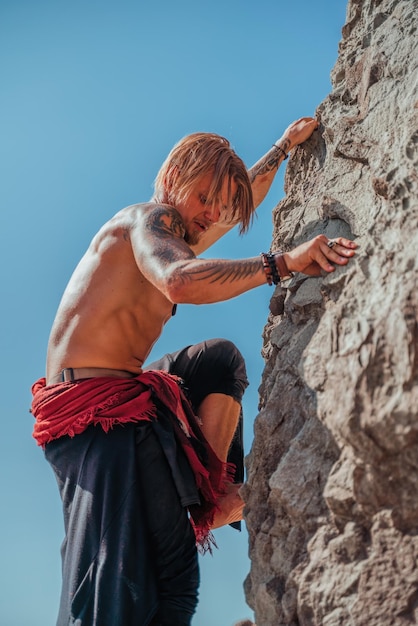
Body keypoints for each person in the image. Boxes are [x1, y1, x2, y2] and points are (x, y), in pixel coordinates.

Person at [31, 117, 357, 626]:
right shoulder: (147, 222)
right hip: (91, 420)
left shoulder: (186, 228)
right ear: (175, 175)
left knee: (217, 362)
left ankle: (212, 498)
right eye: (205, 196)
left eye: (222, 204)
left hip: (121, 397)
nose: (214, 213)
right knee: (122, 585)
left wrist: (283, 147)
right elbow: (179, 282)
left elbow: (244, 194)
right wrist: (282, 264)